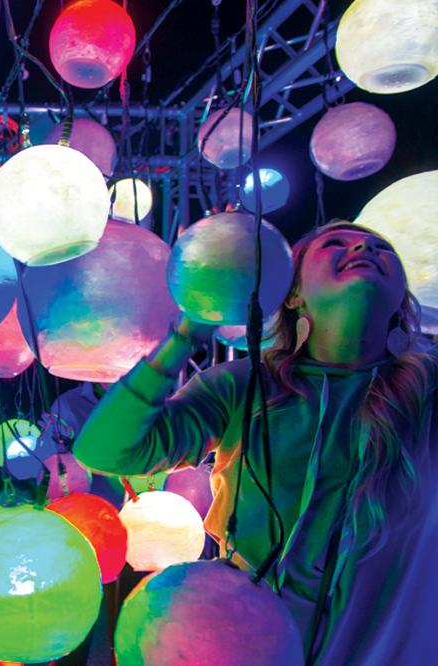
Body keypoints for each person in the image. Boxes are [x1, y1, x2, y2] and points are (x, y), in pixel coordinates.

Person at [74, 221, 438, 665]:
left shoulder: (429, 393)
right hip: (244, 644)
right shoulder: (242, 387)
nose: (363, 246)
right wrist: (184, 336)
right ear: (292, 294)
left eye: (384, 247)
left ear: (400, 300)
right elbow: (105, 452)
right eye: (334, 244)